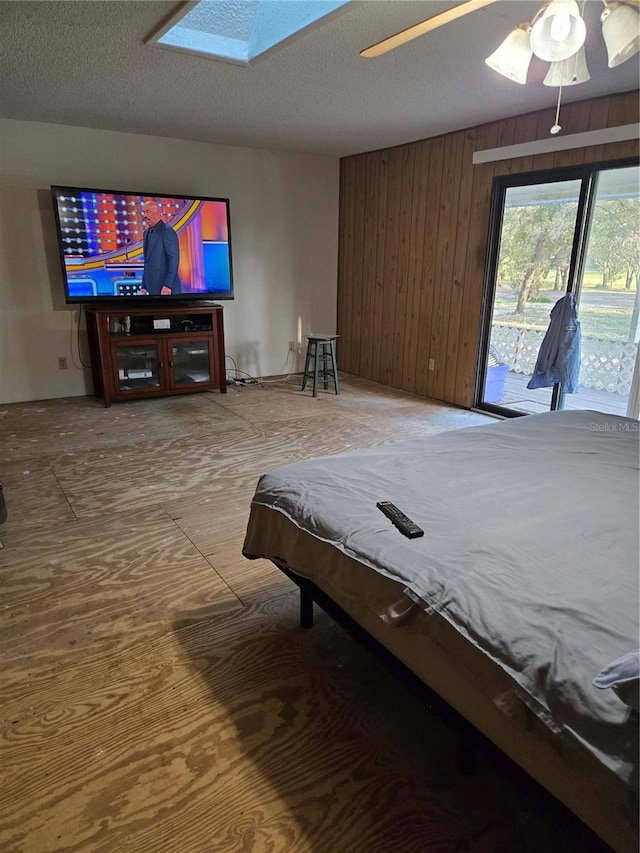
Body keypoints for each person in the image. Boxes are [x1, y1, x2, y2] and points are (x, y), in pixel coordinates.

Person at [140, 200, 181, 295]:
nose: (145, 215)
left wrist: (168, 285)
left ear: (158, 213)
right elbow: (147, 262)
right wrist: (144, 284)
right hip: (152, 288)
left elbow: (173, 260)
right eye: (144, 212)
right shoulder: (146, 233)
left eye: (148, 212)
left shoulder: (167, 231)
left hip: (166, 289)